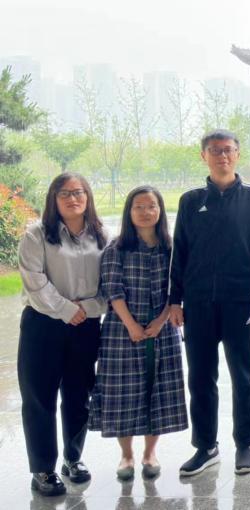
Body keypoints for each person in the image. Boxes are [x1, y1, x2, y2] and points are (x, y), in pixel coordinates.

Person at [167, 129, 250, 476]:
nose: (222, 156)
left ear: (238, 154)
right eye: (215, 151)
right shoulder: (190, 200)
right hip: (197, 303)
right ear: (204, 156)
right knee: (200, 377)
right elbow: (179, 252)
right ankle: (206, 446)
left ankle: (245, 444)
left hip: (239, 302)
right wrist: (175, 300)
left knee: (243, 376)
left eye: (228, 150)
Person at [89, 186, 187, 481]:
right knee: (123, 392)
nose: (146, 212)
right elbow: (113, 290)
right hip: (122, 330)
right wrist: (132, 325)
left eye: (151, 206)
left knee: (159, 389)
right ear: (129, 212)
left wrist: (160, 321)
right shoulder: (116, 248)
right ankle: (127, 455)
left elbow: (177, 289)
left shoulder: (172, 248)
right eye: (139, 207)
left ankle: (150, 453)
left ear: (160, 210)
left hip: (163, 329)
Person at [18, 173, 107, 496]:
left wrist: (89, 308)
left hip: (85, 326)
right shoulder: (36, 236)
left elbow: (111, 283)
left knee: (78, 395)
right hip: (43, 325)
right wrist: (67, 309)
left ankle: (73, 458)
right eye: (65, 193)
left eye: (78, 192)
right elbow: (35, 282)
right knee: (39, 398)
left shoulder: (101, 236)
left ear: (88, 196)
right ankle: (43, 469)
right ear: (53, 199)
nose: (73, 199)